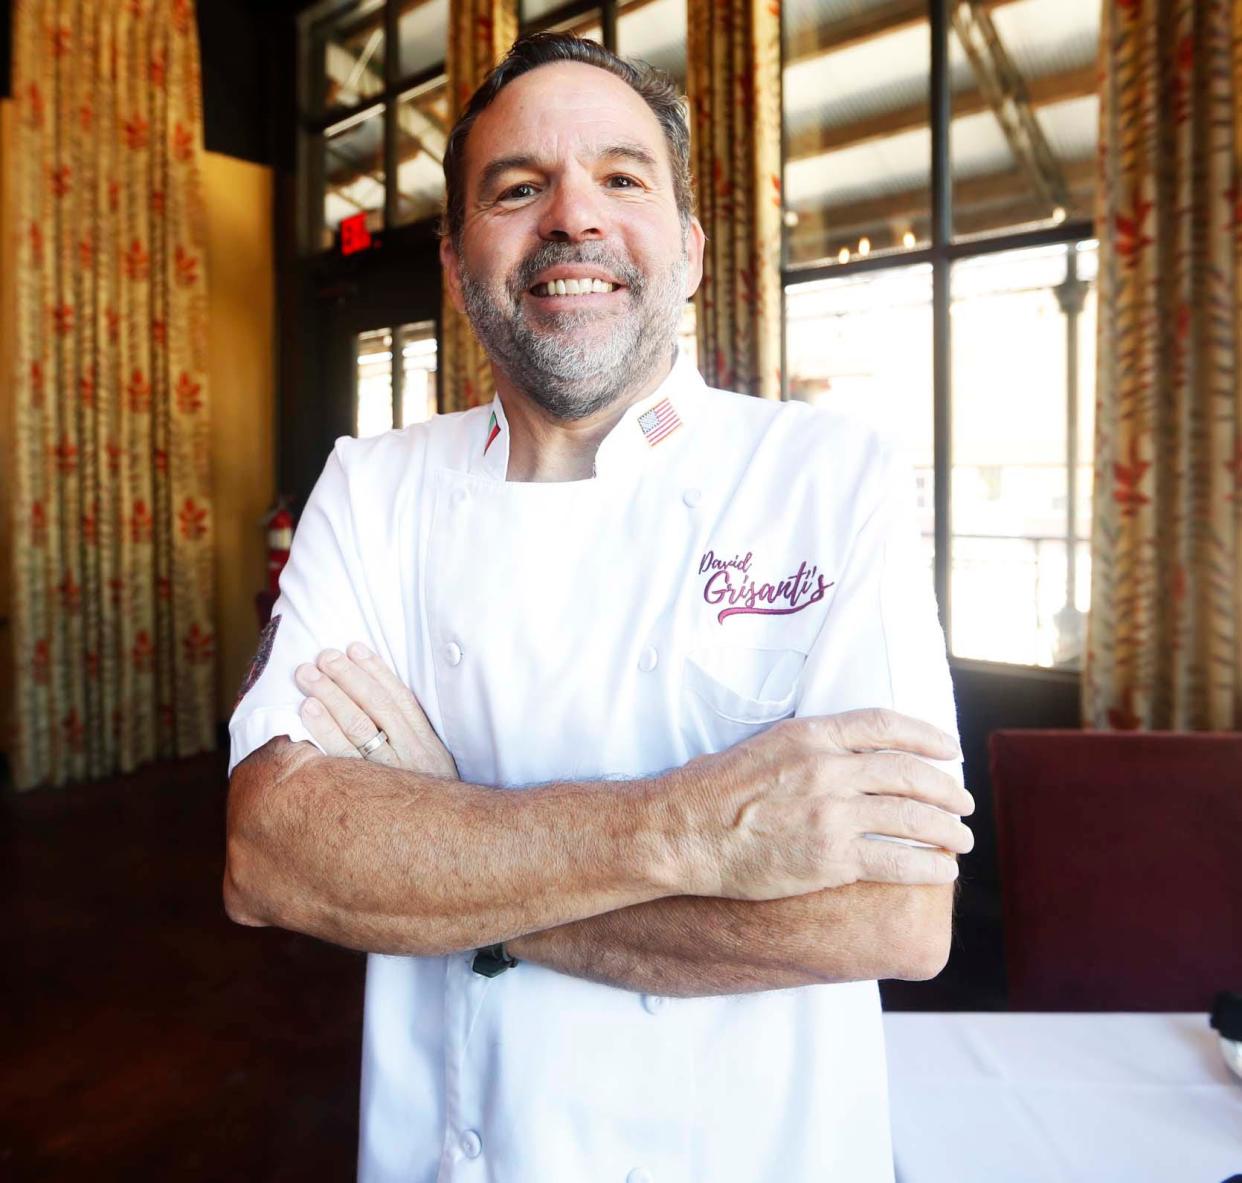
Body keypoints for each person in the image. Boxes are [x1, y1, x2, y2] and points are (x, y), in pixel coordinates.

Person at [225, 32, 974, 1183]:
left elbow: (892, 919)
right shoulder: (371, 488)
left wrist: (447, 845)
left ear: (689, 252)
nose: (573, 217)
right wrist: (693, 829)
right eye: (517, 187)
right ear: (457, 256)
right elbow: (273, 854)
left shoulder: (832, 479)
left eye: (622, 178)